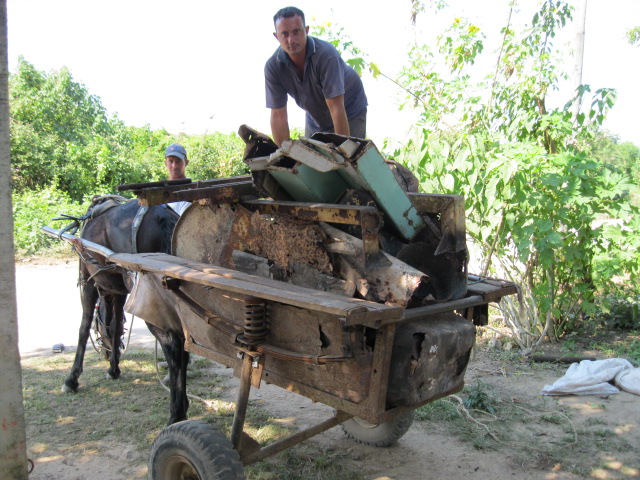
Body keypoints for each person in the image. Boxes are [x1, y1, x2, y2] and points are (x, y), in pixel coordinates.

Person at [265, 6, 368, 146]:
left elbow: (336, 107)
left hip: (349, 109)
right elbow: (278, 115)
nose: (291, 40)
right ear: (277, 36)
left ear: (306, 30)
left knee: (348, 159)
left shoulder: (326, 55)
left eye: (296, 32)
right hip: (316, 117)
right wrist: (285, 157)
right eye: (284, 34)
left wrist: (343, 155)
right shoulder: (273, 67)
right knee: (311, 162)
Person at [164, 143, 191, 216]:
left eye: (178, 161)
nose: (174, 166)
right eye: (171, 161)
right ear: (165, 163)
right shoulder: (159, 191)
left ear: (186, 162)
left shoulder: (191, 191)